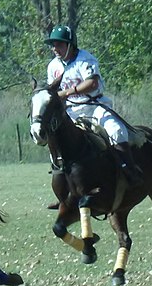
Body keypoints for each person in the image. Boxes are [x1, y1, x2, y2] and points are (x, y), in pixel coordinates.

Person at [44, 25, 143, 187]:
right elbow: (52, 92)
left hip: (93, 106)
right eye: (53, 45)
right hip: (69, 111)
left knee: (116, 130)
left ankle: (129, 170)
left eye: (59, 44)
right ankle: (62, 188)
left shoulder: (85, 59)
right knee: (55, 140)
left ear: (70, 44)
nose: (55, 48)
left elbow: (92, 82)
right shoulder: (53, 66)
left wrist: (67, 92)